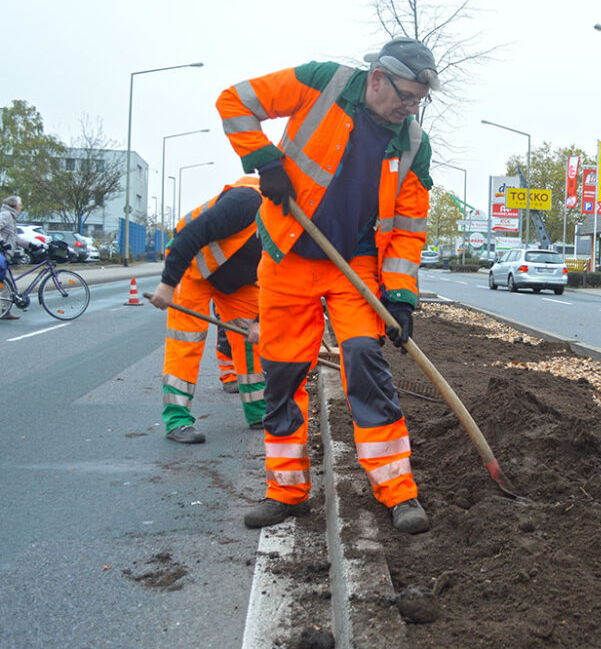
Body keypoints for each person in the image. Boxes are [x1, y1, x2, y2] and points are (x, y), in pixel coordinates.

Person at [216, 37, 437, 533]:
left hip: (354, 266)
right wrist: (265, 161)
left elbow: (406, 229)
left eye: (418, 100)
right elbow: (236, 100)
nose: (409, 107)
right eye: (405, 94)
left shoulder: (414, 144)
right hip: (288, 255)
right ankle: (286, 491)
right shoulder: (324, 81)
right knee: (284, 376)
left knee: (365, 358)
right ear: (377, 77)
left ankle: (398, 491)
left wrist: (400, 297)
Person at [149, 176, 266, 443]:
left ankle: (259, 412)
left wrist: (260, 321)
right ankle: (177, 420)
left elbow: (279, 277)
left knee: (251, 342)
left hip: (240, 282)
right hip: (192, 270)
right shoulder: (246, 202)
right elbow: (191, 234)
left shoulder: (293, 224)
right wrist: (167, 285)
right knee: (186, 340)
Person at [0, 195, 23, 320]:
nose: (21, 207)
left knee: (7, 285)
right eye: (20, 205)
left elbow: (16, 238)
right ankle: (5, 311)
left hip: (5, 256)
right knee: (6, 283)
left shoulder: (12, 217)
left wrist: (31, 245)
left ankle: (5, 310)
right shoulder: (6, 215)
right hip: (1, 255)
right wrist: (2, 243)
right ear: (14, 206)